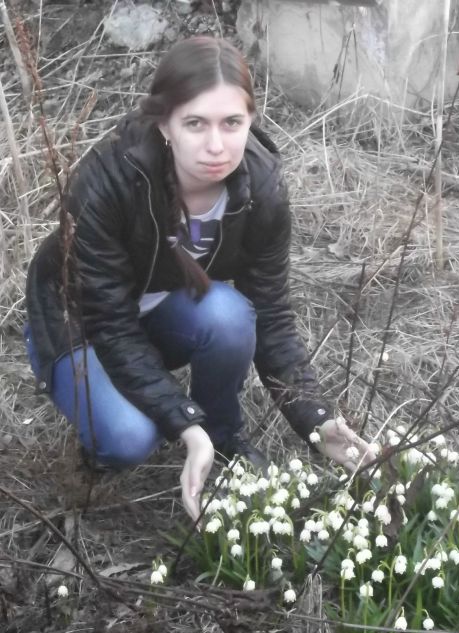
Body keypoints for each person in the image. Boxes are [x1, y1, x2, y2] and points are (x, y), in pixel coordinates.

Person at [25, 36, 373, 520]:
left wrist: (316, 419)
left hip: (158, 310)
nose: (216, 145)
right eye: (195, 124)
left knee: (231, 316)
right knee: (129, 440)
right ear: (165, 123)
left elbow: (271, 311)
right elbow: (109, 323)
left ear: (251, 118)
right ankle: (116, 420)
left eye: (232, 123)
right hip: (80, 320)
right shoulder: (110, 180)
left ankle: (224, 437)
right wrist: (183, 424)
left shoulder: (261, 186)